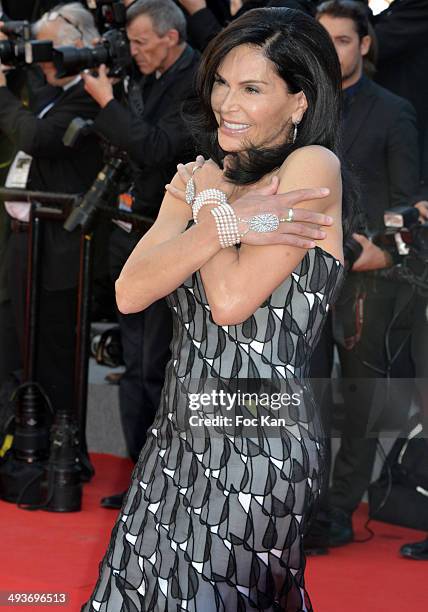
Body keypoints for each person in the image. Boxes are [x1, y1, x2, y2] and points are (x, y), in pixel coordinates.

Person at [82, 7, 348, 610]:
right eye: (223, 82)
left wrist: (205, 210)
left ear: (299, 101)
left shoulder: (313, 168)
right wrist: (220, 215)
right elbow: (131, 291)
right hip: (175, 440)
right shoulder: (208, 176)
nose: (227, 102)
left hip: (255, 447)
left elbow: (229, 301)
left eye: (252, 88)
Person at [82, 0, 201, 509]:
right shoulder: (145, 76)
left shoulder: (198, 82)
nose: (133, 52)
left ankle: (166, 483)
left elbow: (156, 147)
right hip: (130, 232)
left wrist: (108, 104)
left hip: (172, 240)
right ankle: (139, 477)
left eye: (140, 42)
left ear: (170, 37)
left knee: (156, 367)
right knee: (135, 364)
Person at [315, 0, 420, 548]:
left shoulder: (393, 110)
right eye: (323, 39)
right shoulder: (302, 107)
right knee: (304, 398)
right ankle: (302, 507)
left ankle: (338, 511)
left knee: (358, 400)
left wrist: (379, 249)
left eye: (343, 40)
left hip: (367, 276)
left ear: (365, 44)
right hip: (302, 269)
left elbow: (407, 202)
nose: (333, 51)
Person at [0, 3, 103, 417]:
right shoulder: (54, 90)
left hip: (60, 246)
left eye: (52, 51)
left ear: (79, 47)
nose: (45, 61)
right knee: (21, 346)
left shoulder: (90, 95)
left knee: (55, 355)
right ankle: (28, 438)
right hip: (29, 241)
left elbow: (36, 135)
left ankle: (64, 444)